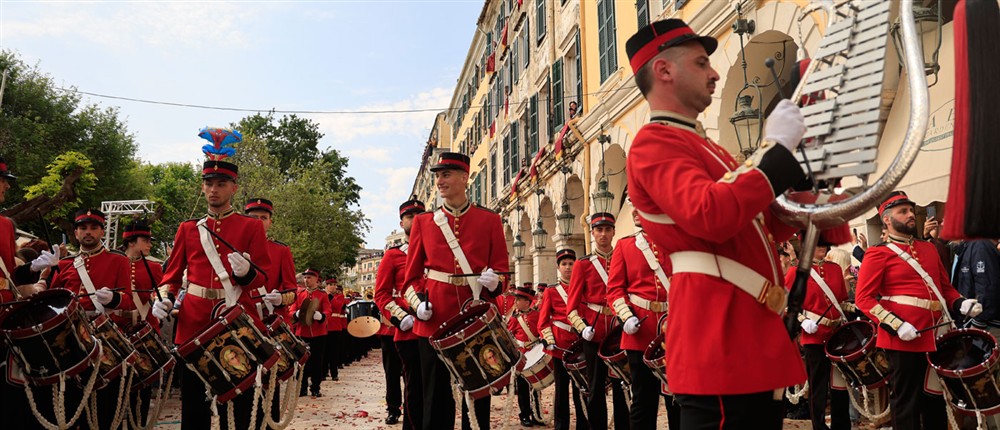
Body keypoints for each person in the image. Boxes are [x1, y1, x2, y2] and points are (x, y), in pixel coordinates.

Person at [625, 19, 810, 427]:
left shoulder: (707, 148)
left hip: (749, 330)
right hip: (720, 338)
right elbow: (711, 215)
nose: (714, 73)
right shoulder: (654, 141)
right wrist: (774, 151)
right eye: (702, 62)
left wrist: (801, 178)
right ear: (664, 70)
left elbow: (761, 226)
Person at [151, 128, 273, 429]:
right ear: (202, 188)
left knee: (241, 405)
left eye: (221, 183)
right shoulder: (188, 228)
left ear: (234, 187)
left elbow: (262, 277)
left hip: (235, 322)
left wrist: (246, 274)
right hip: (192, 322)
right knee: (194, 407)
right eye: (209, 184)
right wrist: (164, 298)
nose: (214, 189)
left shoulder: (251, 227)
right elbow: (171, 275)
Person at [855, 191, 982, 429]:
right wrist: (896, 324)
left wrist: (960, 303)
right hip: (902, 339)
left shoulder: (929, 249)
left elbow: (945, 288)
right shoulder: (878, 253)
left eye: (911, 210)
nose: (911, 214)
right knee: (906, 403)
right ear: (887, 220)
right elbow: (864, 298)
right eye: (903, 211)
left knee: (935, 399)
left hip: (935, 335)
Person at [402, 152, 510, 430]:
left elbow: (502, 274)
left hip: (475, 316)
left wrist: (495, 282)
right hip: (434, 316)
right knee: (434, 394)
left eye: (446, 174)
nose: (440, 181)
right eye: (437, 175)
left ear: (464, 178)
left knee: (478, 393)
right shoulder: (424, 223)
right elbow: (410, 279)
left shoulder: (490, 220)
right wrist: (418, 305)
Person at [50, 208, 135, 429]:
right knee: (72, 402)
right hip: (72, 340)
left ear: (102, 231)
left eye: (94, 228)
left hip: (105, 337)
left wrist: (114, 298)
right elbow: (53, 300)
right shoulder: (64, 264)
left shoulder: (118, 260)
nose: (88, 232)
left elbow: (129, 301)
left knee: (105, 403)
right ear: (76, 233)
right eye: (83, 228)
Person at [606, 209, 678, 430]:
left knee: (677, 399)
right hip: (640, 329)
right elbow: (615, 289)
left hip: (673, 328)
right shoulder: (625, 246)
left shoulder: (674, 243)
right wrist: (626, 316)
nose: (635, 211)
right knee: (643, 400)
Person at [566, 213, 629, 430]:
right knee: (595, 388)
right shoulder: (582, 265)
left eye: (607, 230)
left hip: (620, 330)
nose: (603, 234)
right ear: (592, 233)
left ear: (613, 232)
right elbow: (571, 307)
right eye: (598, 230)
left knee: (624, 383)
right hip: (594, 331)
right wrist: (582, 328)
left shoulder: (623, 258)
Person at [789, 238, 852, 430]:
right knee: (819, 386)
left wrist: (853, 307)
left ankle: (842, 425)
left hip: (836, 334)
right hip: (813, 336)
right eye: (818, 245)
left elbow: (840, 301)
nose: (823, 248)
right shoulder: (796, 271)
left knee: (840, 385)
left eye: (825, 245)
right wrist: (802, 321)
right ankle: (819, 426)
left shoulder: (834, 269)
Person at [374, 197, 426, 428]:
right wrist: (401, 317)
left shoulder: (435, 251)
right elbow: (381, 294)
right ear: (401, 221)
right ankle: (395, 409)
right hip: (406, 328)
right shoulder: (393, 256)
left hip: (435, 328)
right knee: (409, 382)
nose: (414, 221)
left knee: (435, 387)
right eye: (409, 217)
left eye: (419, 216)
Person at [537, 248, 589, 430]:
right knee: (561, 389)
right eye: (564, 264)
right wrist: (549, 340)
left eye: (571, 263)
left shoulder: (584, 287)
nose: (568, 267)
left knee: (581, 388)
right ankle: (561, 425)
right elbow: (543, 322)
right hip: (560, 347)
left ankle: (584, 424)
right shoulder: (551, 291)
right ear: (558, 267)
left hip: (581, 344)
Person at [244, 198, 297, 319]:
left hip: (270, 316)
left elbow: (292, 290)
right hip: (240, 317)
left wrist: (281, 299)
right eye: (253, 217)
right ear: (245, 220)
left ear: (270, 222)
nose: (258, 222)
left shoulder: (281, 250)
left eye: (263, 218)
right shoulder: (233, 246)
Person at [290, 268, 330, 397]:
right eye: (305, 278)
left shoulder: (322, 295)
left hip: (319, 333)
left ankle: (315, 387)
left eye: (309, 278)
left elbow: (327, 311)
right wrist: (295, 314)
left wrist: (321, 316)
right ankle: (302, 388)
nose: (306, 280)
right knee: (302, 362)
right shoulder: (299, 294)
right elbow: (291, 310)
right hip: (302, 332)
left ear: (316, 280)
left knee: (317, 362)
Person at [507, 286, 544, 427]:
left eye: (519, 300)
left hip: (535, 353)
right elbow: (509, 336)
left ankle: (537, 414)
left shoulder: (537, 315)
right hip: (522, 356)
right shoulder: (515, 319)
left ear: (528, 302)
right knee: (522, 388)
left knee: (536, 387)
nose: (516, 302)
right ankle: (524, 415)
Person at [954, 239, 1000, 332]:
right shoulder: (967, 246)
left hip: (984, 324)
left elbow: (987, 286)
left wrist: (979, 322)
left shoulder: (980, 246)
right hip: (970, 319)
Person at [325, 278, 348, 380]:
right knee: (324, 351)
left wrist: (330, 297)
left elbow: (338, 306)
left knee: (334, 351)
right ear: (327, 286)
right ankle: (324, 372)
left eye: (334, 285)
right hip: (325, 325)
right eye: (331, 284)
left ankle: (334, 373)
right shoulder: (323, 295)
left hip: (335, 326)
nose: (333, 286)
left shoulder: (339, 296)